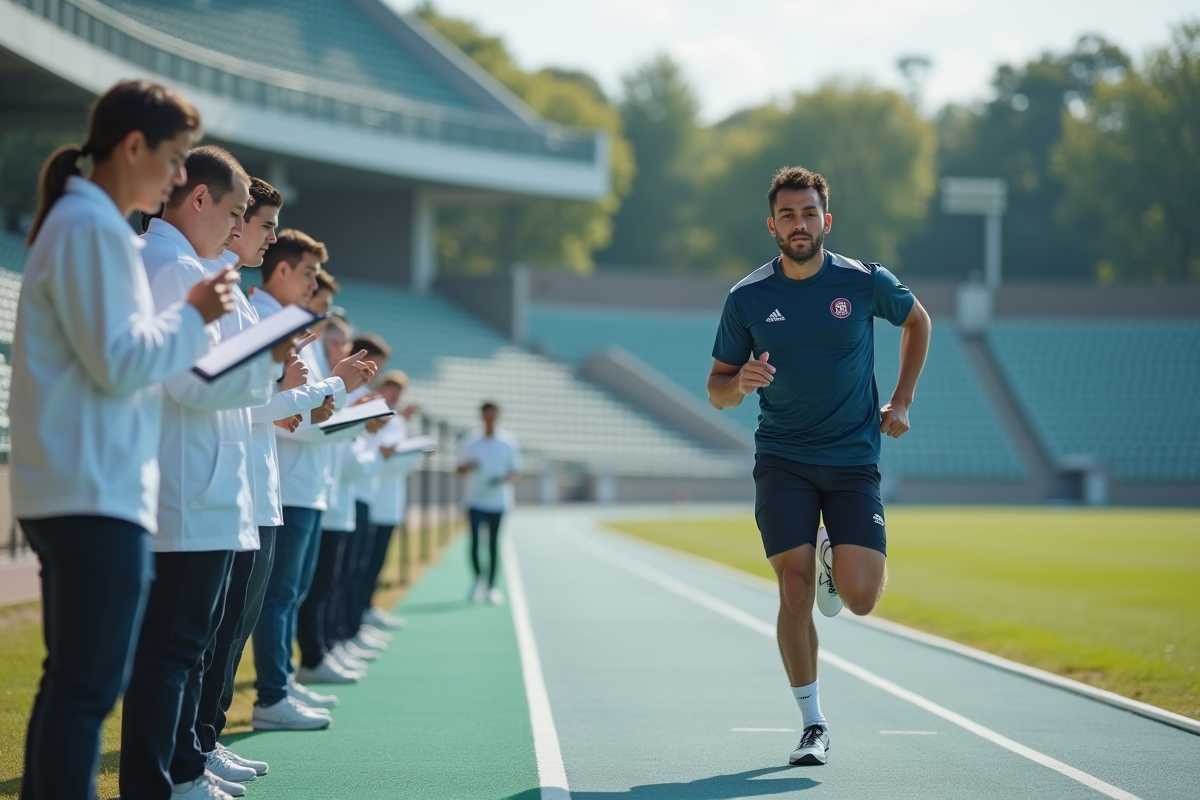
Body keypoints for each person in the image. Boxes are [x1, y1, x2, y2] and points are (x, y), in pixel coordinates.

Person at [11, 79, 231, 800]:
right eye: (173, 159)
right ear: (132, 147)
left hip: (84, 484)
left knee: (73, 687)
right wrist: (194, 316)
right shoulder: (93, 227)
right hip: (92, 490)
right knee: (84, 693)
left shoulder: (87, 224)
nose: (176, 179)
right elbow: (123, 360)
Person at [706, 165, 931, 767]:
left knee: (859, 599)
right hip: (783, 459)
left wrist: (903, 399)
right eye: (787, 215)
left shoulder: (862, 282)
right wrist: (740, 383)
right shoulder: (747, 297)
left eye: (808, 213)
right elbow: (716, 388)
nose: (799, 224)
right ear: (772, 225)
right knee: (794, 584)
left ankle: (837, 548)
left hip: (855, 458)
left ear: (825, 221)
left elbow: (918, 321)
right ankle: (812, 722)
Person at [121, 145, 284, 800]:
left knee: (187, 649)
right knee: (172, 652)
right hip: (187, 486)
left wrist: (257, 364)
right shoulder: (168, 263)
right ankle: (163, 782)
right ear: (198, 201)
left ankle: (182, 768)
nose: (241, 228)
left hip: (207, 482)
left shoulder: (187, 262)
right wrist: (264, 369)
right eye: (236, 212)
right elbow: (190, 379)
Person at [249, 231, 375, 731]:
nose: (316, 309)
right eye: (315, 294)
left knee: (291, 594)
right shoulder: (273, 327)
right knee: (278, 597)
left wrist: (339, 404)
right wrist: (337, 399)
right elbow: (293, 420)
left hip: (301, 486)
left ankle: (279, 685)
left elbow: (304, 415)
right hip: (287, 484)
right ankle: (272, 692)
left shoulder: (299, 342)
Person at [456, 401, 522, 605]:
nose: (490, 419)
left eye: (494, 415)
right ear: (481, 416)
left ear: (498, 416)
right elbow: (459, 469)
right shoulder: (470, 441)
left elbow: (515, 470)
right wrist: (470, 467)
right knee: (475, 542)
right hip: (474, 500)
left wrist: (503, 479)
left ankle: (492, 587)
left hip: (498, 501)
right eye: (487, 415)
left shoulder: (508, 442)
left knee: (493, 544)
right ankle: (478, 579)